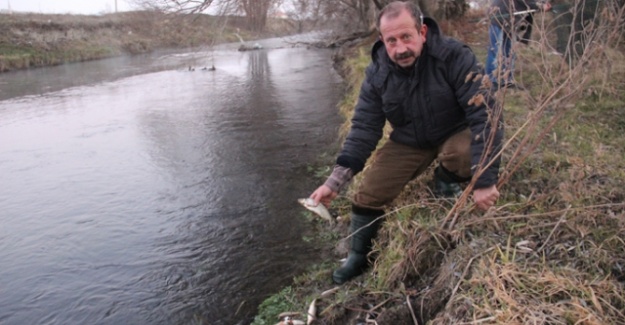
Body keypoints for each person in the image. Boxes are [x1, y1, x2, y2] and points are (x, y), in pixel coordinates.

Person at [308, 1, 504, 285]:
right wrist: (334, 182)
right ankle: (359, 256)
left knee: (461, 153)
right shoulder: (377, 75)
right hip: (411, 140)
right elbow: (363, 128)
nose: (400, 49)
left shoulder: (453, 56)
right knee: (367, 195)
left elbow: (485, 114)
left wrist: (485, 180)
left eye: (406, 37)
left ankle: (446, 178)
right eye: (391, 41)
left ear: (422, 32)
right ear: (382, 41)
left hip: (454, 130)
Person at [486, 0, 552, 88]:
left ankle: (507, 80)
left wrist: (542, 5)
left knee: (510, 52)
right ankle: (490, 82)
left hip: (511, 22)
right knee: (495, 51)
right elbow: (526, 2)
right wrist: (540, 6)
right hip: (498, 17)